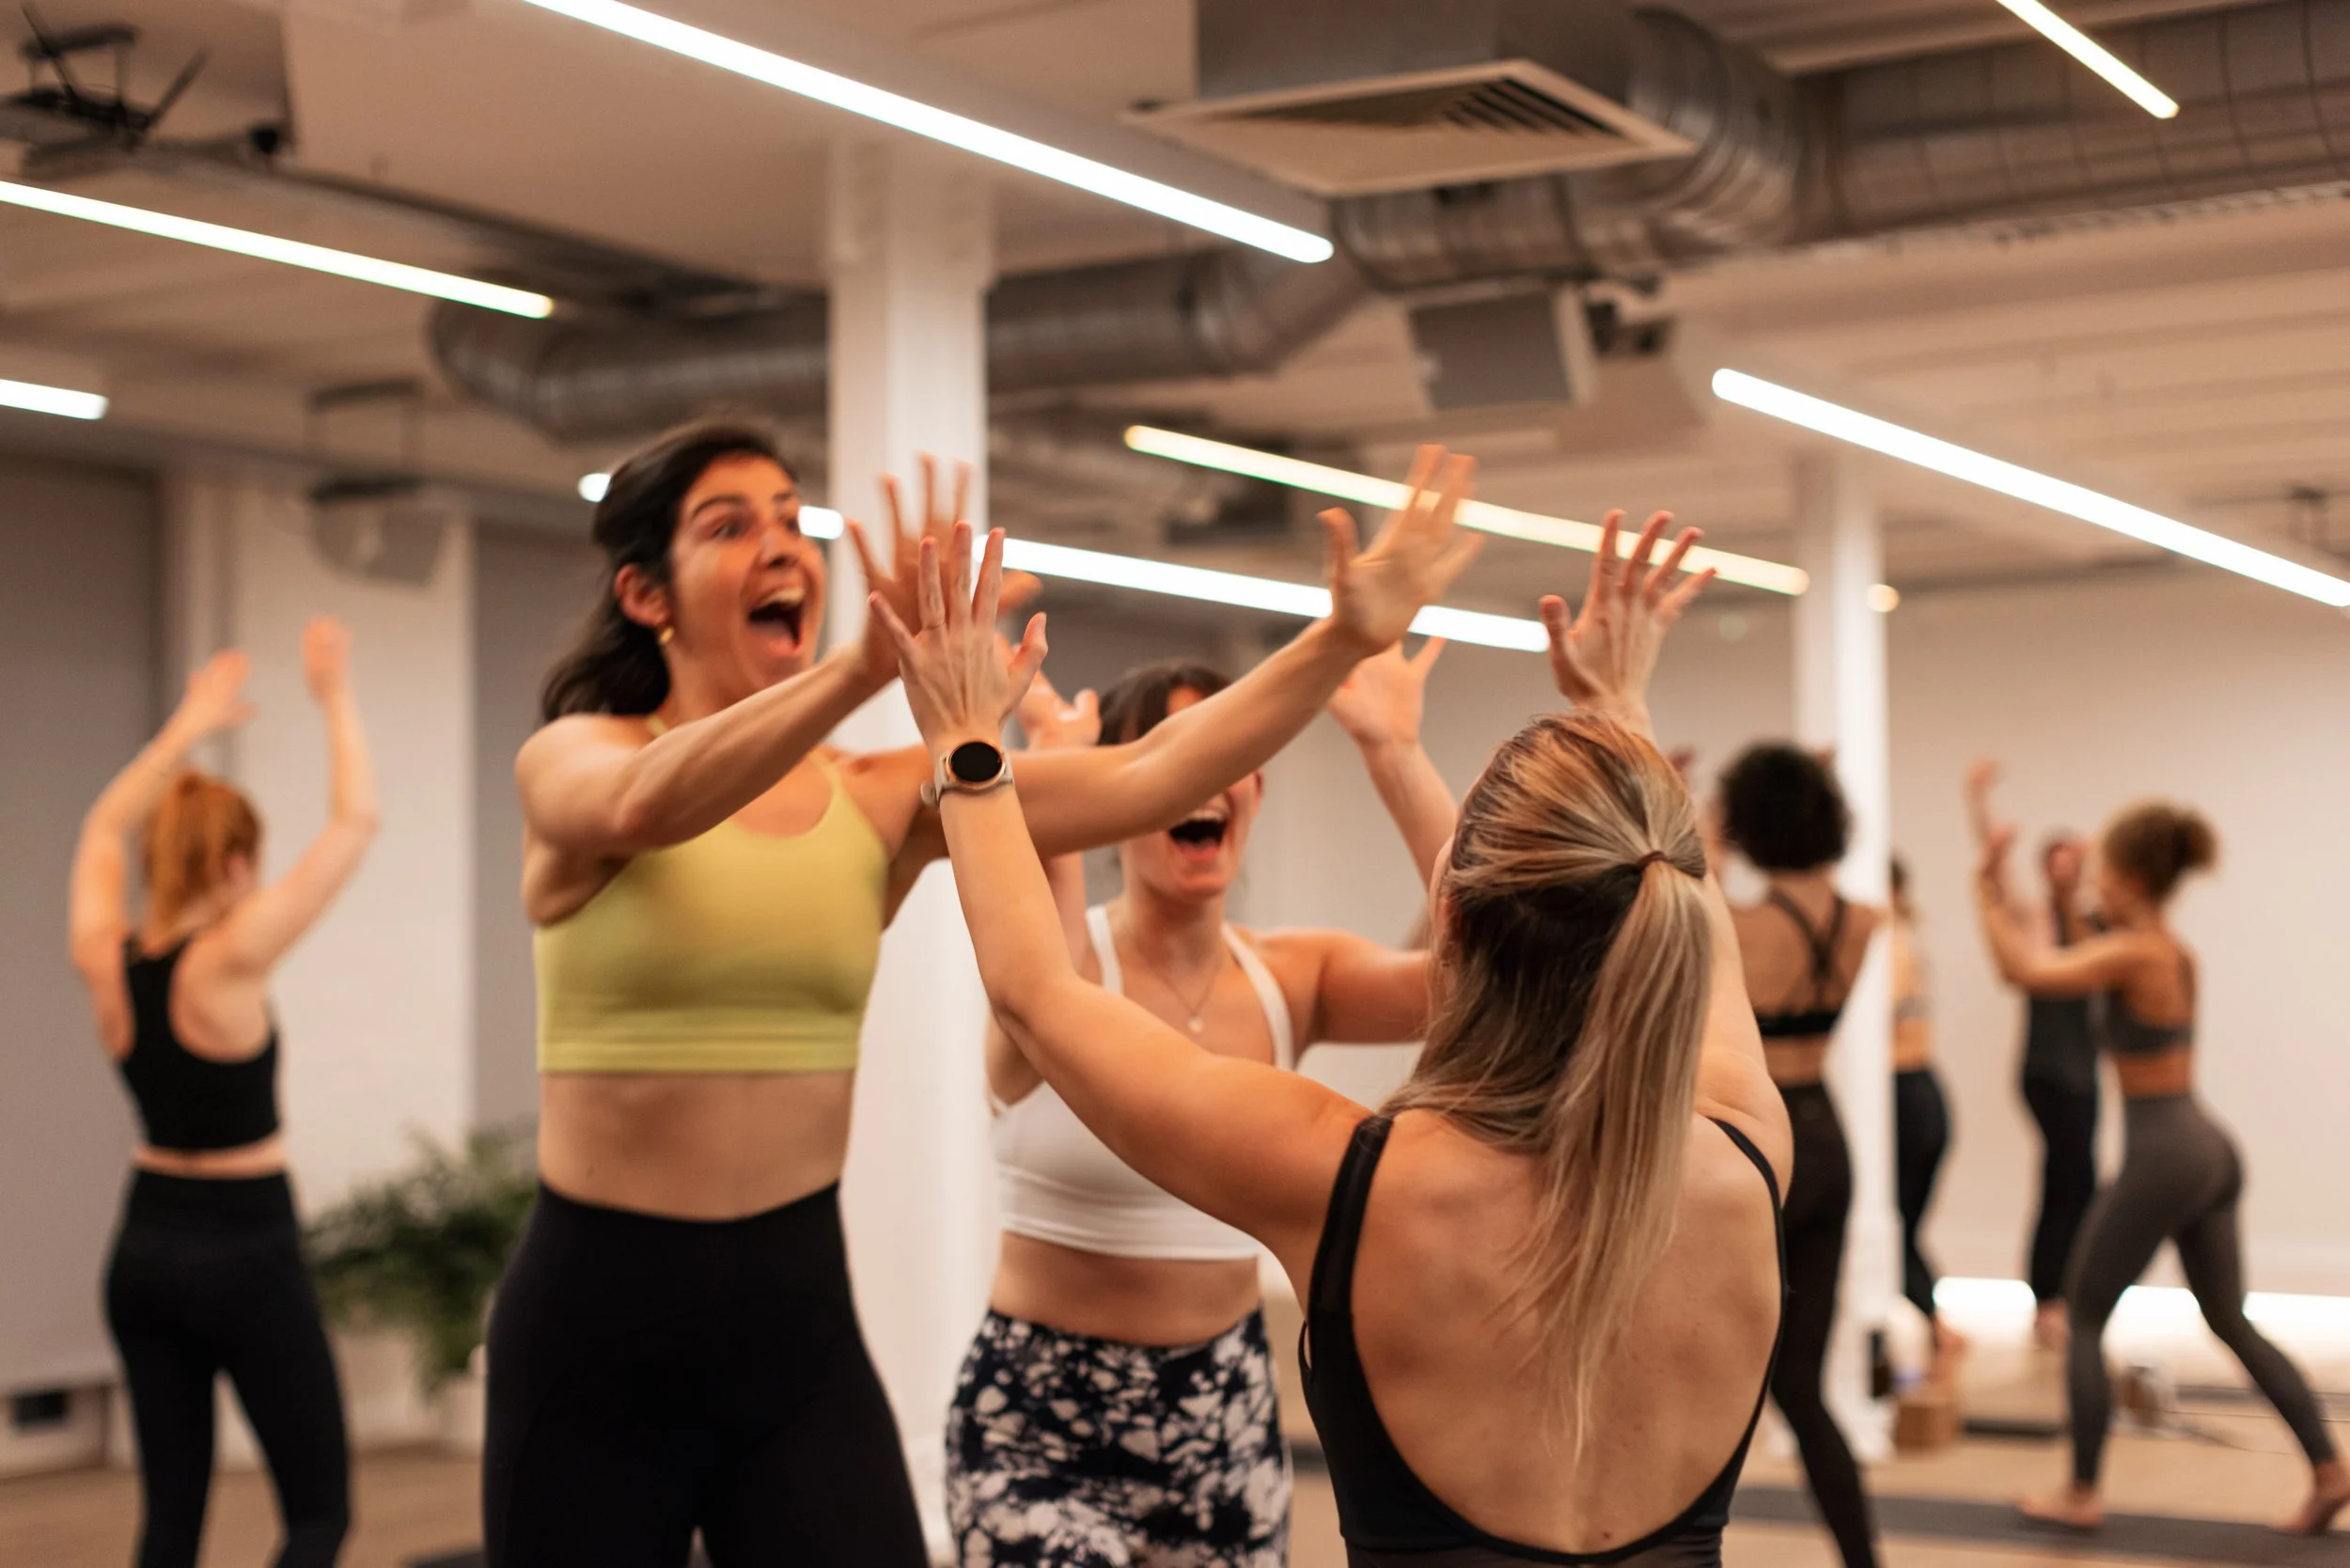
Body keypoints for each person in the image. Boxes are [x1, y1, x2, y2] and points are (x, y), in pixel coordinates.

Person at [483, 416, 1481, 1566]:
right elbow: (641, 810)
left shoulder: (876, 798)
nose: (778, 545)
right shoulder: (575, 757)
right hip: (595, 1324)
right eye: (727, 525)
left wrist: (1338, 639)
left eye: (788, 519)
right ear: (645, 595)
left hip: (792, 1323)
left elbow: (1156, 772)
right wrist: (863, 667)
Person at [885, 509, 1794, 1565]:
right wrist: (1619, 711)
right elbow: (1669, 893)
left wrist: (964, 738)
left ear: (1447, 915)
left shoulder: (1345, 1179)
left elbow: (1034, 991)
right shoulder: (1747, 1151)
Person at [947, 641, 1453, 1567]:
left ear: (1254, 790)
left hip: (1222, 1402)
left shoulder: (1292, 977)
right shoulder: (1061, 967)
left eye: (1232, 760)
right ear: (1127, 793)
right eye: (1177, 753)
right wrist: (1053, 775)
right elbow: (1031, 948)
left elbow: (1481, 973)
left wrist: (1394, 755)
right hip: (1040, 1413)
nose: (1209, 779)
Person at [68, 622, 378, 1568]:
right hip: (246, 1247)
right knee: (318, 1515)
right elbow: (354, 824)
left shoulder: (107, 959)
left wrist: (185, 731)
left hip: (145, 1245)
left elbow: (99, 830)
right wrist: (330, 695)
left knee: (169, 1521)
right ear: (233, 863)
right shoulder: (234, 956)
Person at [1978, 802, 2349, 1534]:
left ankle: (2082, 1493)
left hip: (2163, 1153)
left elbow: (2023, 970)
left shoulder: (2136, 951)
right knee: (2228, 1319)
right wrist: (2047, 898)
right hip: (2208, 1145)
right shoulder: (2170, 951)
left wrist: (1984, 890)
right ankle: (2330, 1469)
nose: (2098, 886)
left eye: (2106, 873)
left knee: (2082, 1316)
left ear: (2132, 876)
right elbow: (2086, 950)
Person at [1716, 743, 1884, 1568]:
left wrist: (1707, 840)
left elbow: (1683, 897)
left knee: (1713, 1375)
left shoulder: (1739, 927)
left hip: (1760, 1140)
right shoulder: (1866, 919)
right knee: (1802, 1387)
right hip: (1828, 1134)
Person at [1966, 763, 2100, 1347]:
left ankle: (2064, 1295)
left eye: (2075, 863)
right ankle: (2050, 1298)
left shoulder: (2096, 924)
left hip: (2085, 1074)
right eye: (2058, 862)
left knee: (2076, 1182)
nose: (2065, 872)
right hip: (2046, 1072)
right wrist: (1980, 804)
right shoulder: (2035, 919)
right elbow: (1993, 876)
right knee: (2068, 1180)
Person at [1889, 856, 1964, 1388]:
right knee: (1900, 1228)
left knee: (1893, 1229)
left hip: (1907, 1098)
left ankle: (1941, 1332)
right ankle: (1939, 1331)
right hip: (1918, 1096)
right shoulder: (1900, 940)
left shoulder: (1890, 946)